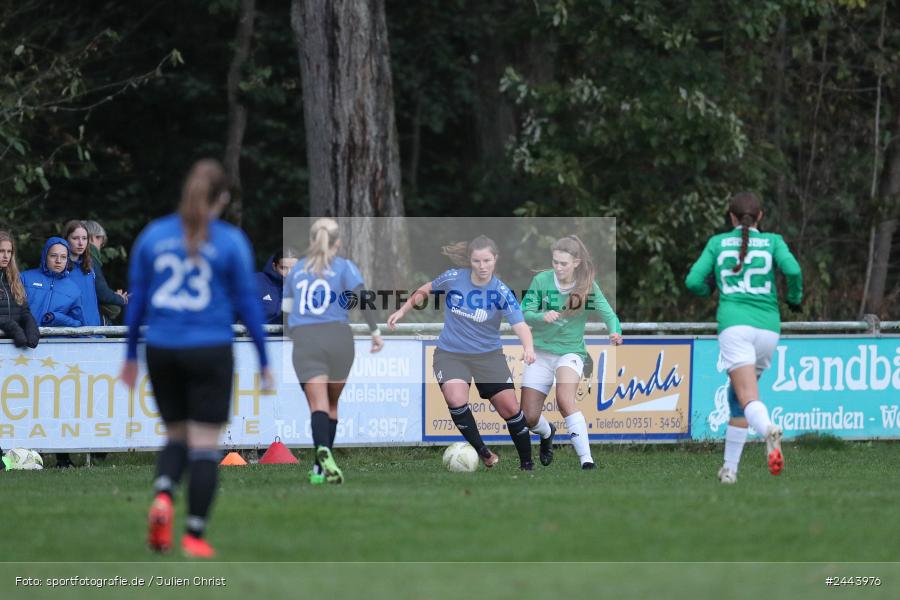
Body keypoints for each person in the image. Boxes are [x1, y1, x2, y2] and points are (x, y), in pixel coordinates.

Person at [119, 159, 272, 558]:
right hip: (210, 349)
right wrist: (264, 358)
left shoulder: (154, 236)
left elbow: (135, 302)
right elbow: (248, 305)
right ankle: (193, 535)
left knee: (174, 436)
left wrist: (130, 355)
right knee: (204, 446)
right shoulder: (230, 241)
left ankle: (164, 495)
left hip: (162, 348)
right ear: (222, 197)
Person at [388, 235, 537, 470]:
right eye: (477, 261)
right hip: (451, 354)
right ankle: (484, 453)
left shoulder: (501, 291)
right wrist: (402, 310)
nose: (482, 266)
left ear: (495, 259)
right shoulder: (454, 277)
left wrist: (528, 347)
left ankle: (527, 466)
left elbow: (520, 325)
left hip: (488, 356)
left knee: (510, 410)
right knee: (456, 399)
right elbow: (426, 289)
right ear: (470, 260)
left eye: (487, 260)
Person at [685, 191, 802, 484]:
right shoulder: (773, 241)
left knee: (747, 396)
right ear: (760, 216)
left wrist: (708, 289)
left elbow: (692, 281)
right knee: (736, 396)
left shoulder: (717, 243)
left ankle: (768, 431)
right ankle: (729, 471)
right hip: (768, 328)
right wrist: (794, 298)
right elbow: (793, 270)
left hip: (735, 325)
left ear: (732, 217)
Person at [283, 219, 382, 484]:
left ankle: (321, 455)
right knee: (333, 404)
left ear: (312, 240)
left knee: (318, 405)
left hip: (307, 338)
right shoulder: (345, 267)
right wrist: (375, 332)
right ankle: (319, 467)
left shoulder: (296, 270)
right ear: (337, 242)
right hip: (339, 338)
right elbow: (363, 299)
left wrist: (293, 333)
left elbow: (285, 311)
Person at [520, 235, 622, 470]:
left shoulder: (587, 287)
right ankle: (547, 434)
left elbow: (610, 316)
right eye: (555, 261)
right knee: (529, 417)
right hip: (541, 353)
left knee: (565, 400)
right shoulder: (542, 281)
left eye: (563, 263)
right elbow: (524, 311)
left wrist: (615, 332)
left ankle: (587, 461)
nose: (557, 267)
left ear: (576, 262)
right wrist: (540, 316)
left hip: (571, 353)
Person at [21, 237, 84, 328]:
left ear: (67, 260)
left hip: (53, 341)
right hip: (23, 338)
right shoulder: (24, 278)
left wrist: (56, 318)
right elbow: (11, 311)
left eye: (63, 257)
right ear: (45, 256)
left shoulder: (74, 290)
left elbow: (78, 324)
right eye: (53, 255)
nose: (58, 261)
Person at [0, 231, 40, 350]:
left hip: (16, 349)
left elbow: (24, 311)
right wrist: (13, 327)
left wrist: (31, 326)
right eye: (1, 251)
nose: (6, 256)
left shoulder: (13, 279)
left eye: (9, 251)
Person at [84, 219, 128, 323]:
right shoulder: (90, 259)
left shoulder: (87, 258)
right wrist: (120, 299)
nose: (101, 245)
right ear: (93, 237)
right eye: (101, 240)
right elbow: (101, 293)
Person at [62, 220, 102, 327]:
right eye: (75, 238)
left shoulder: (89, 267)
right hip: (70, 332)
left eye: (84, 238)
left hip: (94, 331)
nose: (81, 243)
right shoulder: (59, 269)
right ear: (66, 239)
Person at [256, 247, 299, 324]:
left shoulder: (306, 287)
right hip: (258, 334)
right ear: (274, 266)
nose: (289, 273)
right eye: (283, 268)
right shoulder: (257, 282)